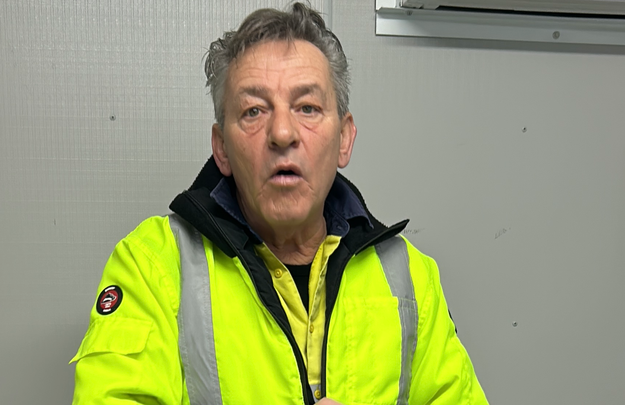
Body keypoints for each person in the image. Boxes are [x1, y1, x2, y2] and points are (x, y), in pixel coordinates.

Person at [71, 3, 488, 404]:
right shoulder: (153, 265)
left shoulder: (409, 277)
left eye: (307, 107)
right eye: (254, 111)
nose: (283, 133)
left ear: (344, 139)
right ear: (222, 148)